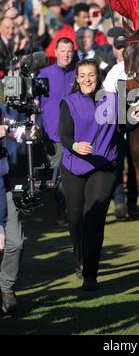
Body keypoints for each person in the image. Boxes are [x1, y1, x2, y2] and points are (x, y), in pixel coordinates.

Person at [59, 59, 119, 290]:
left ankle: (90, 274)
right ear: (76, 78)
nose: (87, 79)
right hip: (74, 165)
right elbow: (64, 135)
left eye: (91, 75)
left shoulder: (113, 101)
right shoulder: (69, 102)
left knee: (93, 217)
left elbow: (133, 121)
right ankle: (79, 256)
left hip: (104, 166)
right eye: (82, 75)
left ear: (98, 77)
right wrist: (75, 146)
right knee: (76, 218)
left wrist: (137, 113)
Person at [0, 110, 39, 314]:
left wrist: (30, 132)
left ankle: (7, 288)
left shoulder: (2, 110)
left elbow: (16, 132)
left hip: (5, 184)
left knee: (15, 241)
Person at [39, 37, 76, 225]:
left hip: (76, 134)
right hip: (52, 135)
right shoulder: (44, 74)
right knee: (58, 175)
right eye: (63, 51)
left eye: (69, 51)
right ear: (55, 52)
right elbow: (35, 104)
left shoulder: (80, 73)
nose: (66, 54)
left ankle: (73, 211)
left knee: (74, 174)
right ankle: (62, 211)